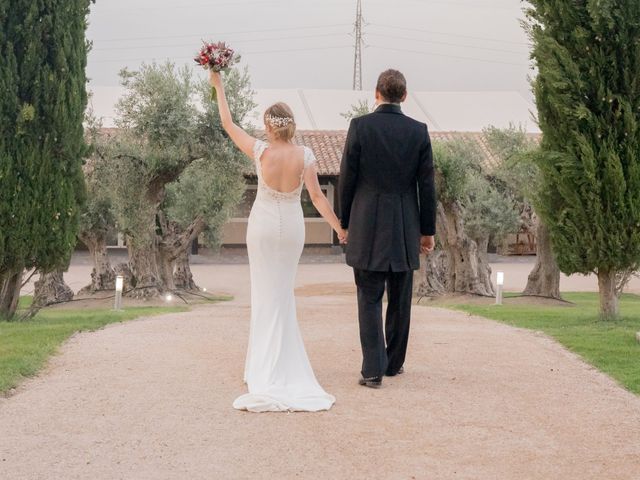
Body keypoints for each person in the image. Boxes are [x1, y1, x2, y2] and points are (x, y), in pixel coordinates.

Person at [209, 71, 343, 412]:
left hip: (264, 227)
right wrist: (338, 228)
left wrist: (218, 83)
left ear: (270, 127)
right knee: (283, 292)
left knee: (265, 293)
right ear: (291, 125)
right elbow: (316, 197)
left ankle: (262, 368)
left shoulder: (260, 151)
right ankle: (280, 364)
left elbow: (227, 123)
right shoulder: (307, 155)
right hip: (293, 228)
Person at [339, 69, 437, 388]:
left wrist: (344, 222)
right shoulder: (419, 131)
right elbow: (427, 186)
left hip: (366, 224)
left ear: (376, 93)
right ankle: (394, 363)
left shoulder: (360, 127)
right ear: (404, 96)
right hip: (406, 225)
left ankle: (373, 369)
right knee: (400, 297)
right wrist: (427, 230)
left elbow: (347, 180)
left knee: (368, 296)